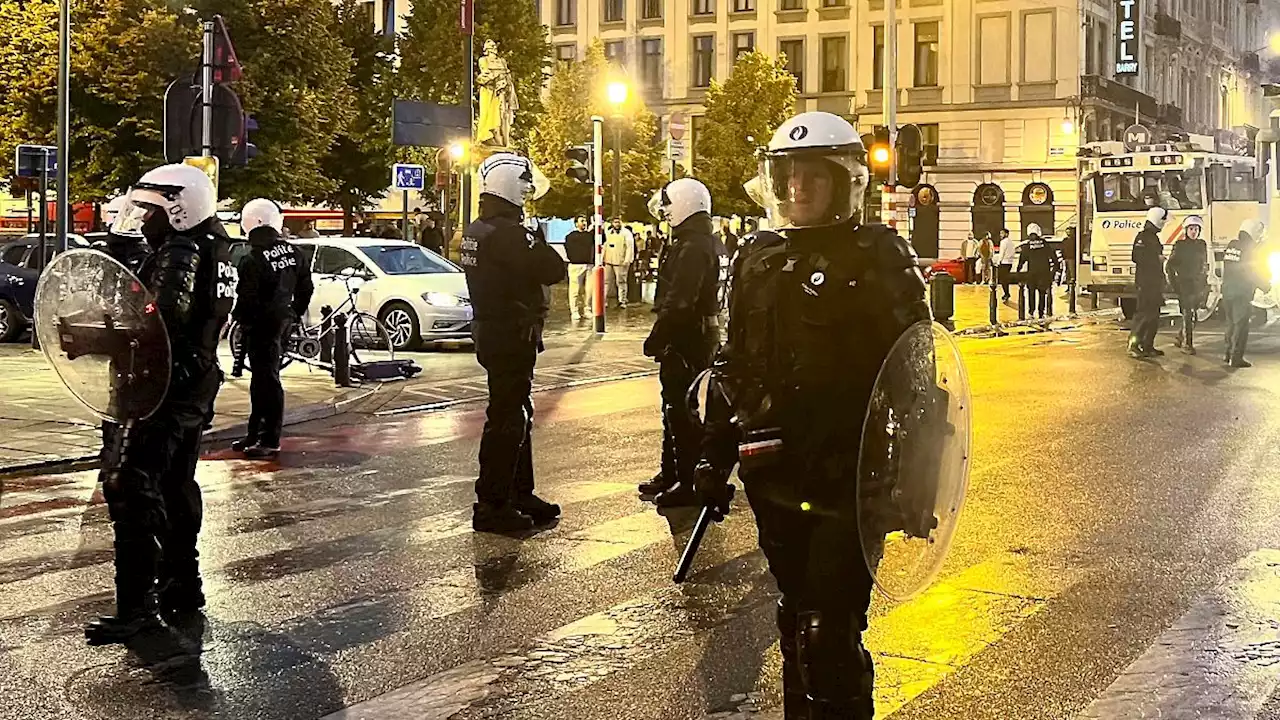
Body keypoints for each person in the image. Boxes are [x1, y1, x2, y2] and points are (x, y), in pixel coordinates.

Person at [694, 111, 933, 718]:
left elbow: (919, 373)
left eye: (814, 177)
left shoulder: (878, 255)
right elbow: (732, 366)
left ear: (843, 182)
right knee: (796, 614)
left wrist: (920, 476)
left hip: (851, 476)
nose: (799, 188)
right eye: (791, 176)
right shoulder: (755, 257)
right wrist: (710, 456)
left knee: (830, 627)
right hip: (774, 472)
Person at [85, 164, 235, 644]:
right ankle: (181, 584)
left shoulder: (182, 251)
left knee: (129, 483)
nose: (142, 217)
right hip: (195, 382)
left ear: (178, 207)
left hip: (163, 387)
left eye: (150, 208)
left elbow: (158, 329)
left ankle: (137, 608)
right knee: (175, 482)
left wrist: (93, 338)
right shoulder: (218, 244)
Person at [460, 152, 567, 533]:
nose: (527, 187)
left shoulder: (478, 228)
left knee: (515, 412)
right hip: (511, 334)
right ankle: (494, 503)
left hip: (493, 331)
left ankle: (518, 493)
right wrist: (534, 234)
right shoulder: (509, 233)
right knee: (508, 418)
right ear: (506, 183)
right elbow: (554, 269)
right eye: (522, 180)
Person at [635, 179, 723, 504]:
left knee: (681, 409)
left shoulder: (693, 247)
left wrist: (659, 336)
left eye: (670, 204)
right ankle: (672, 473)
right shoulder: (690, 241)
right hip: (689, 334)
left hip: (689, 336)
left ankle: (689, 481)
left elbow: (681, 299)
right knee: (673, 406)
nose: (666, 211)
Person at [230, 199, 315, 459]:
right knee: (264, 378)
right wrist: (294, 313)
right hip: (282, 320)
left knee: (266, 380)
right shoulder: (293, 252)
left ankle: (269, 438)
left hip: (261, 324)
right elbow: (306, 287)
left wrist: (239, 321)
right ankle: (255, 433)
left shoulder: (252, 258)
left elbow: (247, 298)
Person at [1221, 219, 1269, 368]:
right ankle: (1236, 358)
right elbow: (1252, 272)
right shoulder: (1250, 249)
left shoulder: (1232, 245)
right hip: (1241, 293)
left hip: (1227, 291)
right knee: (1241, 326)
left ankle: (1228, 353)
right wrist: (1265, 286)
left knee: (1230, 324)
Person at [1127, 207, 1168, 359]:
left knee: (1154, 315)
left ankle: (1147, 345)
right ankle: (1134, 345)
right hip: (1145, 283)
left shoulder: (1153, 237)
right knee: (1143, 314)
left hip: (1154, 283)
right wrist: (1156, 259)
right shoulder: (1143, 237)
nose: (1164, 224)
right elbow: (1137, 256)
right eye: (1163, 220)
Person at [1166, 215, 1208, 355]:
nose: (1194, 231)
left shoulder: (1202, 245)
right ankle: (1187, 344)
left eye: (1196, 229)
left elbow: (1204, 264)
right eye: (1191, 229)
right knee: (1188, 314)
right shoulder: (1180, 246)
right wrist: (1174, 284)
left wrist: (1205, 282)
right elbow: (1169, 266)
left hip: (1198, 286)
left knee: (1194, 316)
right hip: (1184, 285)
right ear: (1186, 230)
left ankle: (1180, 337)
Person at [1016, 224, 1055, 319]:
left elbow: (1022, 260)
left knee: (1031, 293)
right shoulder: (1045, 244)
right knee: (1042, 293)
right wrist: (1054, 270)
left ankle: (1031, 312)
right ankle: (1041, 312)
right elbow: (1053, 256)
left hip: (1032, 273)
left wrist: (1018, 271)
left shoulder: (1027, 245)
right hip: (1043, 272)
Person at [564, 216, 595, 321]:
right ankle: (574, 311)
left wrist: (597, 226)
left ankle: (587, 309)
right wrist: (574, 258)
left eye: (585, 221)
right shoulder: (571, 236)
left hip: (589, 265)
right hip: (576, 265)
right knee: (575, 290)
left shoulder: (590, 235)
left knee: (589, 289)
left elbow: (601, 240)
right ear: (576, 223)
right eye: (582, 221)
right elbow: (568, 249)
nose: (584, 223)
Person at [603, 217, 635, 309]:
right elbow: (605, 246)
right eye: (615, 222)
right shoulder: (609, 232)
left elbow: (630, 247)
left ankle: (622, 301)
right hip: (609, 260)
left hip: (621, 261)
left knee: (621, 282)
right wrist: (602, 258)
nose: (617, 224)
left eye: (618, 222)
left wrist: (627, 260)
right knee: (606, 282)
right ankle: (604, 300)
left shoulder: (626, 233)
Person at [996, 229, 1016, 301]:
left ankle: (1006, 293)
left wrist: (998, 262)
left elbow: (1002, 253)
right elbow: (1013, 252)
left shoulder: (1003, 242)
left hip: (1004, 262)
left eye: (1002, 233)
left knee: (1003, 279)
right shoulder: (1011, 242)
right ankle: (1006, 293)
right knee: (1006, 279)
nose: (1000, 235)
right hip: (1009, 262)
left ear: (1006, 234)